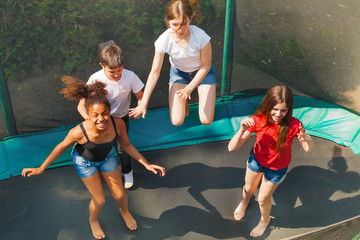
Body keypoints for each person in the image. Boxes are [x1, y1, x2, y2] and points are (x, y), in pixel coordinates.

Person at [22, 77, 165, 240]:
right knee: (99, 200)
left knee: (120, 195)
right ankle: (93, 219)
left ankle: (124, 211)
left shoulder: (118, 123)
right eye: (95, 115)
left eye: (104, 113)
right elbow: (61, 146)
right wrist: (41, 168)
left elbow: (126, 145)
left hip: (107, 157)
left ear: (109, 110)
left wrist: (146, 164)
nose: (101, 119)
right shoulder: (79, 131)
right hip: (85, 163)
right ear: (88, 115)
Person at [228, 85, 313, 237]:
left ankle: (265, 220)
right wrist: (241, 130)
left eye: (283, 110)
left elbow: (308, 149)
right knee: (248, 189)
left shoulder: (294, 125)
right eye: (275, 109)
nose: (278, 114)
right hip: (256, 161)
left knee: (262, 199)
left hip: (276, 169)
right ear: (268, 105)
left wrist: (308, 139)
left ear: (288, 110)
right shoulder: (257, 120)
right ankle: (244, 202)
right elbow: (232, 148)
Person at [129, 0, 216, 126]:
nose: (180, 29)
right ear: (168, 22)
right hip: (179, 74)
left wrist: (189, 88)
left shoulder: (201, 37)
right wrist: (143, 103)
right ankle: (184, 101)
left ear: (190, 19)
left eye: (184, 24)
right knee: (176, 121)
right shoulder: (164, 40)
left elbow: (206, 66)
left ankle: (189, 94)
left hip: (203, 73)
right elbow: (154, 72)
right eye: (175, 24)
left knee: (206, 120)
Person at [78, 44, 144, 189]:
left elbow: (140, 96)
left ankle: (127, 171)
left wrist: (140, 107)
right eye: (112, 71)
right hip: (100, 120)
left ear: (123, 65)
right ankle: (96, 171)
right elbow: (81, 104)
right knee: (97, 146)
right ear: (102, 65)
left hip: (120, 118)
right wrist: (89, 119)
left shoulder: (130, 76)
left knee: (122, 148)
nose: (116, 74)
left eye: (119, 70)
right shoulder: (95, 78)